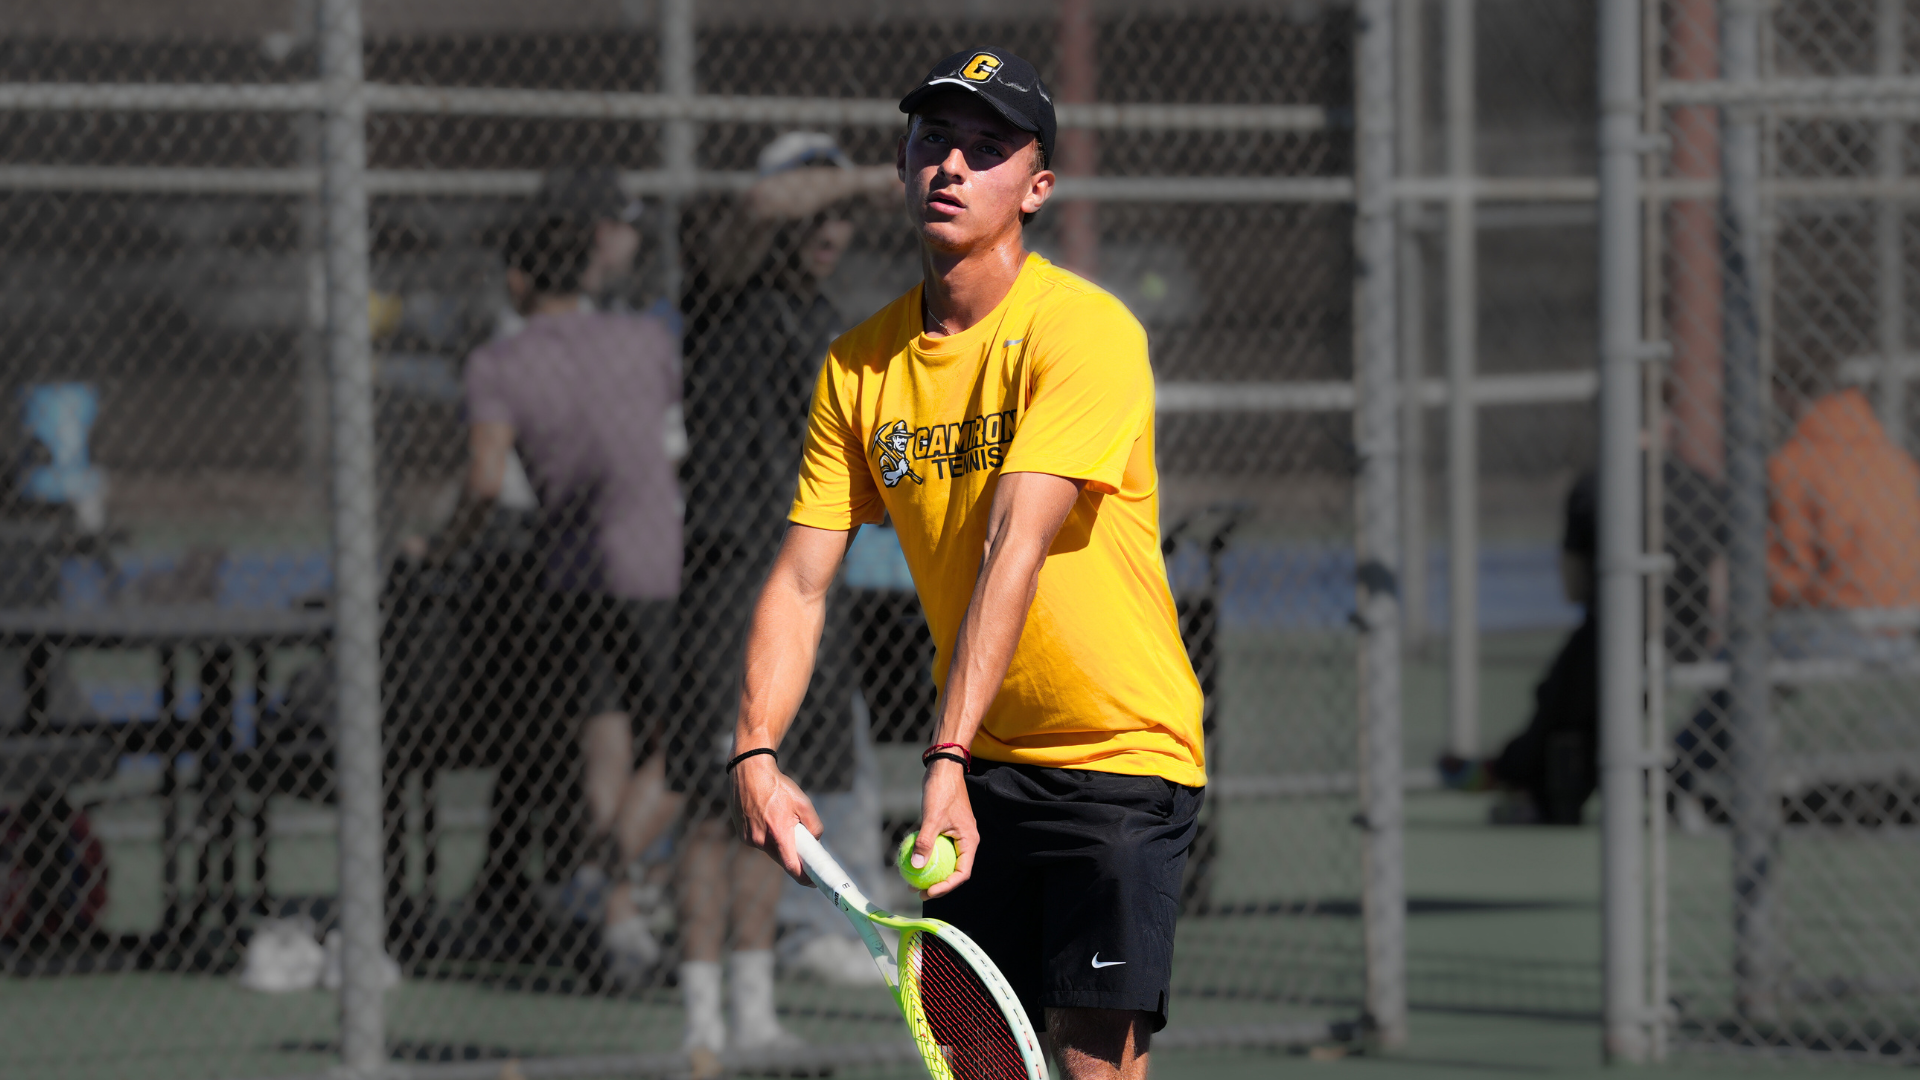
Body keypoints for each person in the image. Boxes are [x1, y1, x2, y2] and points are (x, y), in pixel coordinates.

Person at [728, 49, 1206, 1080]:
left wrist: (941, 763)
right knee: (982, 1066)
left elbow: (1013, 544)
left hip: (1117, 764)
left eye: (986, 150)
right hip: (985, 771)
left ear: (1035, 189)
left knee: (1094, 1069)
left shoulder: (1083, 335)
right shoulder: (860, 366)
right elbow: (803, 579)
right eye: (933, 141)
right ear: (902, 165)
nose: (951, 165)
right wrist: (755, 751)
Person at [667, 133, 898, 1056]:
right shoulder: (726, 284)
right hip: (731, 578)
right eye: (818, 207)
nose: (830, 228)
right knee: (712, 799)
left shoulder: (828, 322)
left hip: (808, 588)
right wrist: (865, 183)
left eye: (842, 217)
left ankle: (755, 1015)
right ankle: (701, 1026)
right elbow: (753, 210)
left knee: (779, 804)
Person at [435, 211, 684, 973]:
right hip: (660, 568)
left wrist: (442, 545)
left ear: (517, 279)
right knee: (697, 743)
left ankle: (615, 916)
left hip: (572, 575)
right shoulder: (646, 342)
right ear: (590, 268)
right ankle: (609, 875)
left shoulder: (498, 362)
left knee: (605, 739)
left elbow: (484, 483)